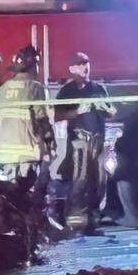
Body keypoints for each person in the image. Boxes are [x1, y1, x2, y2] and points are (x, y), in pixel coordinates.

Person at [54, 52, 116, 235]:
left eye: (87, 63)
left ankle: (93, 219)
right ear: (72, 69)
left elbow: (112, 112)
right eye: (80, 64)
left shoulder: (98, 88)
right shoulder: (67, 91)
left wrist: (104, 107)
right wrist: (78, 111)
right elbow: (57, 116)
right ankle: (73, 219)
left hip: (98, 140)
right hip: (79, 141)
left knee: (100, 179)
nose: (85, 67)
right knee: (80, 179)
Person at [0, 45, 55, 195]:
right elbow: (42, 120)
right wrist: (50, 144)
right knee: (27, 195)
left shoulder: (3, 89)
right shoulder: (36, 88)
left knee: (8, 196)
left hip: (5, 154)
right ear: (33, 67)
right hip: (27, 153)